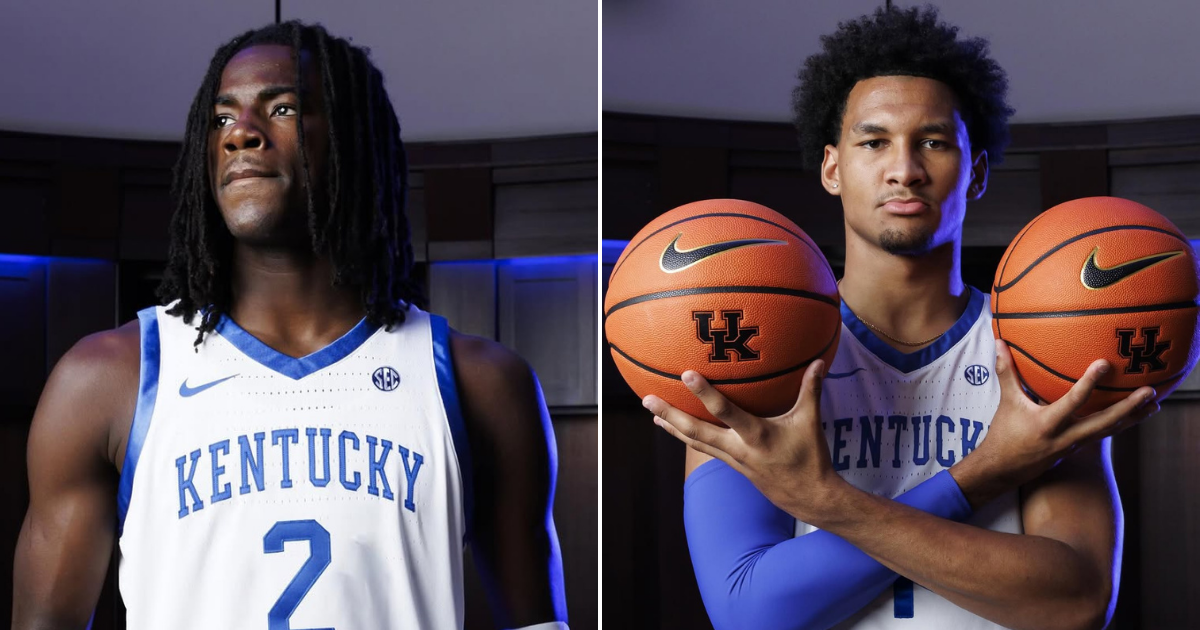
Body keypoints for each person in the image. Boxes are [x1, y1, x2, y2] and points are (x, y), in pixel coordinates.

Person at [13, 22, 569, 630]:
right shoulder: (108, 379)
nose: (242, 135)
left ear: (354, 143)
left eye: (281, 107)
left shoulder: (480, 384)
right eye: (222, 119)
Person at [644, 7, 1158, 630]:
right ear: (833, 167)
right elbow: (749, 610)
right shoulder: (754, 344)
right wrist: (984, 473)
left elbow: (1074, 605)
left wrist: (824, 503)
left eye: (934, 142)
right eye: (874, 141)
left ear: (977, 172)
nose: (905, 168)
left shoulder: (1045, 346)